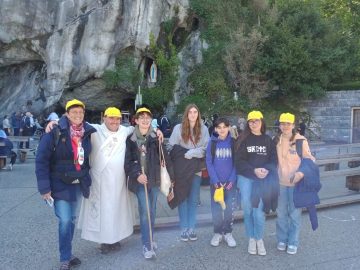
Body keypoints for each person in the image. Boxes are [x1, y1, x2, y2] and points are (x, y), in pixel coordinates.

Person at [35, 99, 96, 270]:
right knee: (65, 220)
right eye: (74, 112)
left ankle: (68, 254)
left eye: (81, 112)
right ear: (67, 114)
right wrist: (44, 188)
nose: (78, 115)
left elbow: (112, 130)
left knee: (71, 221)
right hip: (59, 183)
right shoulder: (55, 131)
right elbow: (41, 160)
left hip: (78, 182)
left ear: (84, 114)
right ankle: (64, 258)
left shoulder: (88, 131)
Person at [78, 107, 136, 254]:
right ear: (104, 118)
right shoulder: (95, 130)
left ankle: (115, 238)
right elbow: (75, 123)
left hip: (118, 181)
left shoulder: (124, 131)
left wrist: (157, 131)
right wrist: (53, 123)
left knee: (116, 210)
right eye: (111, 118)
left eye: (117, 118)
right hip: (99, 181)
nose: (114, 121)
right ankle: (104, 241)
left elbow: (139, 129)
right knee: (103, 211)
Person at [125, 107, 174, 259]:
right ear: (137, 120)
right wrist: (137, 174)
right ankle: (146, 244)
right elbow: (128, 162)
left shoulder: (156, 137)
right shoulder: (131, 139)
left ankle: (150, 238)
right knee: (145, 212)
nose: (145, 120)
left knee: (151, 210)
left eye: (148, 117)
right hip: (140, 181)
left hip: (154, 180)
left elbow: (164, 158)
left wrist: (171, 178)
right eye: (142, 117)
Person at [235, 110, 278, 256]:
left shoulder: (268, 140)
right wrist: (253, 170)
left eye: (256, 121)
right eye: (251, 121)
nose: (253, 124)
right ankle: (251, 238)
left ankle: (259, 238)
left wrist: (265, 169)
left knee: (259, 212)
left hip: (262, 181)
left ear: (262, 122)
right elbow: (239, 161)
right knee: (247, 211)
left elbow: (273, 160)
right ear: (248, 123)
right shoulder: (243, 139)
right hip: (246, 179)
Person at [274, 113, 315, 255]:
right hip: (280, 183)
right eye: (282, 123)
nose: (285, 126)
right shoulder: (277, 140)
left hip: (296, 185)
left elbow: (310, 160)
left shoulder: (300, 140)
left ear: (293, 125)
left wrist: (300, 174)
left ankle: (293, 242)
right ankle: (282, 239)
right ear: (279, 125)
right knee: (281, 214)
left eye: (288, 123)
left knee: (295, 214)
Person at [167, 104, 210, 241]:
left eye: (195, 112)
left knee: (193, 199)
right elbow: (171, 147)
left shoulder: (204, 129)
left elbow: (206, 148)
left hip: (195, 168)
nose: (192, 114)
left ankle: (192, 228)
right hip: (181, 169)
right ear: (186, 114)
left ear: (198, 114)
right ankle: (184, 228)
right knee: (182, 198)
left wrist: (192, 152)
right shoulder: (178, 128)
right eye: (190, 112)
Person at [206, 117, 237, 248]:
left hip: (230, 182)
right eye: (219, 127)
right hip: (216, 183)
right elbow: (209, 162)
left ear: (229, 127)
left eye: (224, 127)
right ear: (215, 129)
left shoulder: (234, 143)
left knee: (229, 208)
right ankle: (218, 232)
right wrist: (215, 180)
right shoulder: (212, 143)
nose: (222, 130)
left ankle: (228, 233)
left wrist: (232, 179)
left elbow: (237, 162)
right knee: (216, 208)